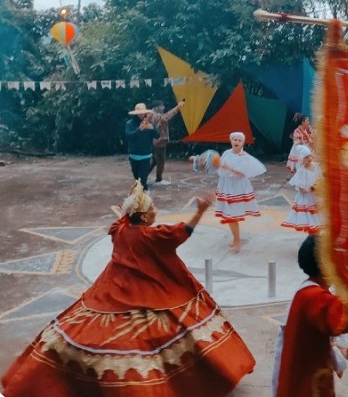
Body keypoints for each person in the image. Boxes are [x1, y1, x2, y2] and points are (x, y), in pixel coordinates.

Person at [1, 181, 256, 396]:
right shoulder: (151, 236)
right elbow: (182, 232)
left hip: (110, 290)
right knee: (177, 328)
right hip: (145, 292)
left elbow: (122, 220)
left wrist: (134, 199)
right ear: (144, 216)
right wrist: (200, 211)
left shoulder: (120, 231)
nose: (156, 211)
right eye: (153, 209)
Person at [275, 235, 348, 397]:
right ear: (324, 265)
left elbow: (317, 340)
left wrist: (344, 352)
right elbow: (336, 317)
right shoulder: (313, 296)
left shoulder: (310, 292)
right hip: (306, 388)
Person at [215, 131, 266, 253]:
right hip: (226, 186)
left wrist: (228, 167)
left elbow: (242, 173)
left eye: (239, 140)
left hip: (237, 189)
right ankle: (236, 239)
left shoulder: (244, 157)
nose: (236, 142)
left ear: (243, 142)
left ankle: (237, 240)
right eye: (234, 139)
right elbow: (220, 167)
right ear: (231, 140)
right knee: (229, 215)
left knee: (232, 215)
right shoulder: (226, 153)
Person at [281, 145, 323, 234]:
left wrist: (318, 187)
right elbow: (302, 189)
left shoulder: (316, 166)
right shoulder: (301, 171)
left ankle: (314, 236)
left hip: (315, 196)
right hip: (306, 199)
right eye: (306, 157)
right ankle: (311, 237)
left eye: (309, 156)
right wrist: (312, 189)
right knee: (309, 219)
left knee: (317, 218)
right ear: (302, 160)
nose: (309, 158)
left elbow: (320, 179)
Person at [125, 102, 159, 191]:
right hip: (133, 155)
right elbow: (129, 136)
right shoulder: (130, 124)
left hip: (146, 155)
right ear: (136, 113)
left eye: (142, 112)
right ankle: (141, 196)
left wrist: (153, 129)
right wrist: (139, 129)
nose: (141, 115)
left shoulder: (149, 123)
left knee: (142, 181)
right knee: (137, 179)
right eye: (139, 113)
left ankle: (144, 199)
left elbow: (157, 135)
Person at [149, 99, 185, 184]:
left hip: (158, 142)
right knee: (160, 161)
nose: (163, 107)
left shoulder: (152, 115)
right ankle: (158, 179)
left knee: (155, 161)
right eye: (162, 106)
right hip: (158, 142)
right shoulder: (155, 116)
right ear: (156, 107)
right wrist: (178, 107)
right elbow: (167, 116)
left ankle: (143, 176)